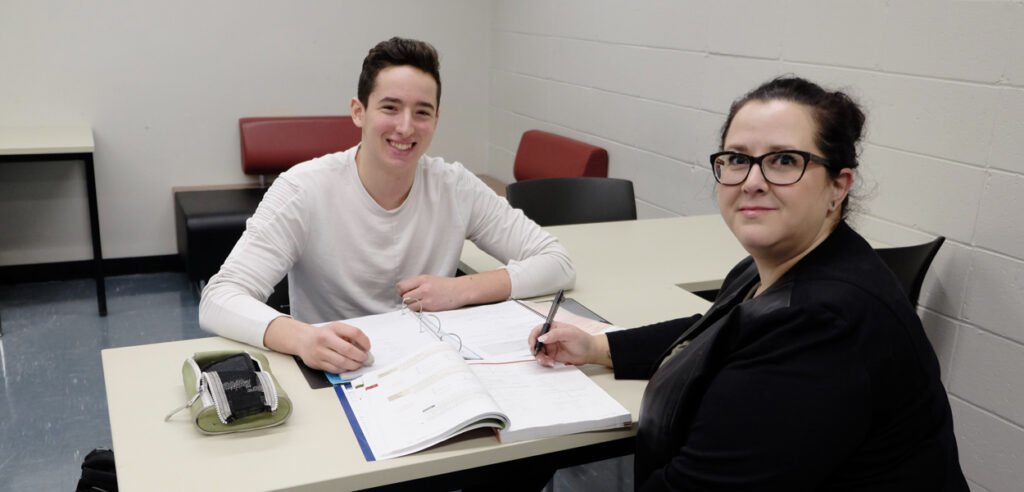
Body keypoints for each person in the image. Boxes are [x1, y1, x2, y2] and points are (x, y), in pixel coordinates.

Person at [529, 77, 968, 491]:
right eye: (738, 159)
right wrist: (598, 347)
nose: (753, 182)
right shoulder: (784, 264)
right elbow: (716, 334)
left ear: (838, 186)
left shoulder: (823, 327)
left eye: (784, 161)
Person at [200, 37, 575, 373]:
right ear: (358, 111)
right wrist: (302, 338)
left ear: (436, 119)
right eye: (390, 108)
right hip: (337, 372)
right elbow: (220, 297)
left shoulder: (455, 186)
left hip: (434, 367)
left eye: (422, 112)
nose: (406, 127)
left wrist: (461, 290)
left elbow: (556, 262)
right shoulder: (303, 189)